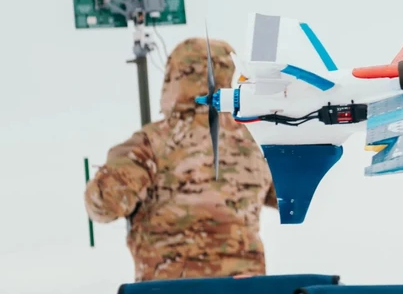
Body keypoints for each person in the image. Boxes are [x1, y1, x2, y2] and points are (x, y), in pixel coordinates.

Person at [84, 37, 278, 281]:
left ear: (174, 78)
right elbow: (288, 197)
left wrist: (104, 179)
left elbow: (106, 204)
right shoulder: (253, 143)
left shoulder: (152, 142)